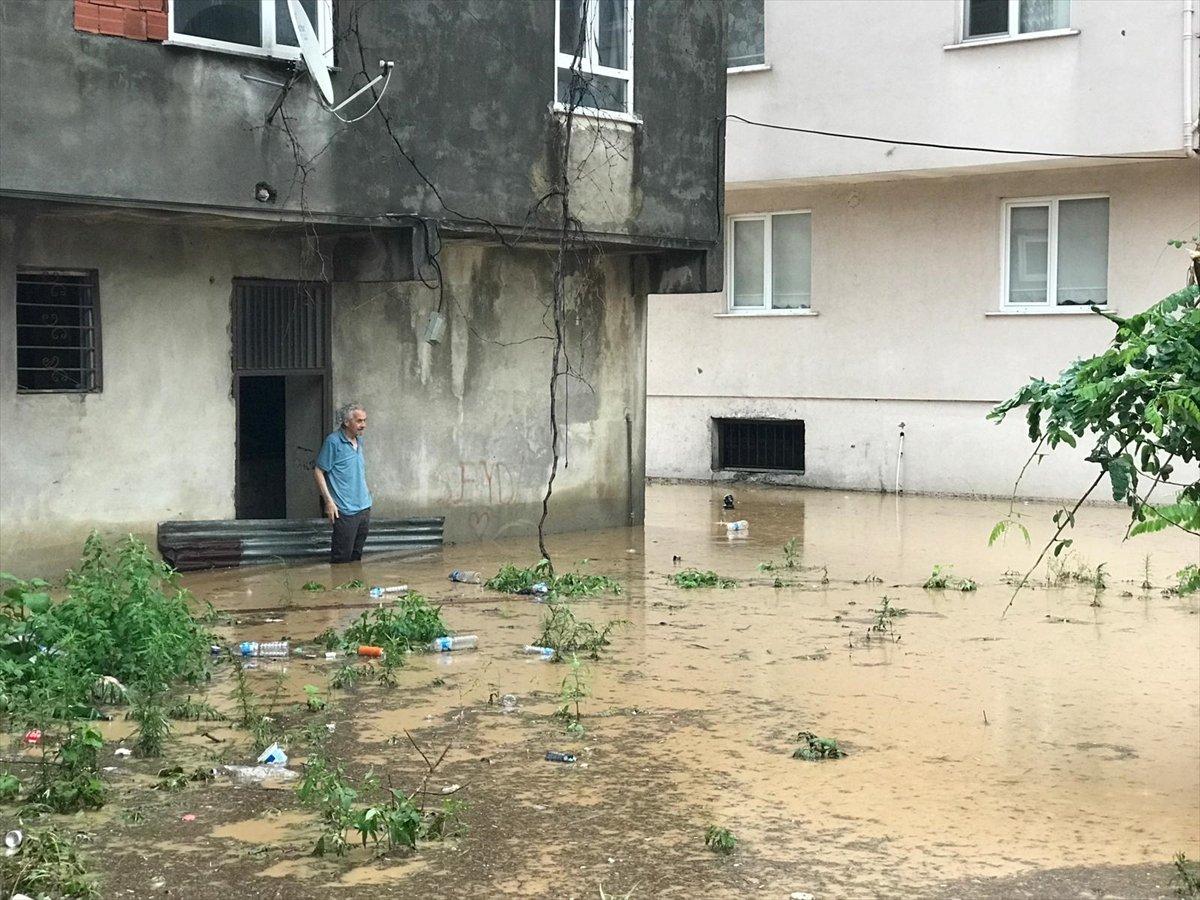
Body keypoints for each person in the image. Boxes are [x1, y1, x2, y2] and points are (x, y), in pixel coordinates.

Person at [314, 402, 372, 564]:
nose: (363, 425)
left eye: (364, 421)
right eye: (359, 421)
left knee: (356, 558)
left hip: (363, 507)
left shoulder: (359, 442)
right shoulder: (333, 442)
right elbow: (319, 471)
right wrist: (329, 502)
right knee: (341, 560)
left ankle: (354, 589)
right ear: (347, 422)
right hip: (344, 510)